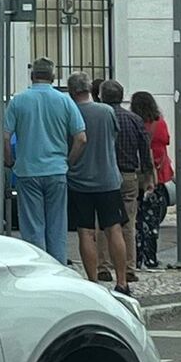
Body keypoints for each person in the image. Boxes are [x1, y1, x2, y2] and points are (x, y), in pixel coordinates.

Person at [4, 57, 86, 263]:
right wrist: (68, 162)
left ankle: (38, 267)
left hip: (28, 171)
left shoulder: (18, 101)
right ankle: (57, 266)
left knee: (32, 227)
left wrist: (10, 160)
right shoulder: (64, 101)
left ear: (32, 76)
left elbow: (5, 137)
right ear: (53, 76)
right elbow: (81, 138)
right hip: (56, 169)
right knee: (57, 226)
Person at [66, 72, 131, 295]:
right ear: (89, 89)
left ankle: (93, 282)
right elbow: (113, 137)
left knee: (86, 232)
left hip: (79, 180)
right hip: (107, 179)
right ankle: (122, 281)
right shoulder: (106, 111)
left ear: (72, 91)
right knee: (114, 229)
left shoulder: (70, 113)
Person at [96, 79, 153, 282]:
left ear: (102, 96)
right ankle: (129, 267)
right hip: (129, 175)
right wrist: (148, 176)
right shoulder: (134, 119)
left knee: (103, 223)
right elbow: (145, 148)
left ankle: (103, 266)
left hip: (104, 175)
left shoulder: (100, 118)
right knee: (128, 223)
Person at [131, 90, 173, 270]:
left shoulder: (134, 123)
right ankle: (151, 258)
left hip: (138, 176)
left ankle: (136, 256)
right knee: (153, 220)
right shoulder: (159, 124)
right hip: (157, 176)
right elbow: (166, 141)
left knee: (136, 220)